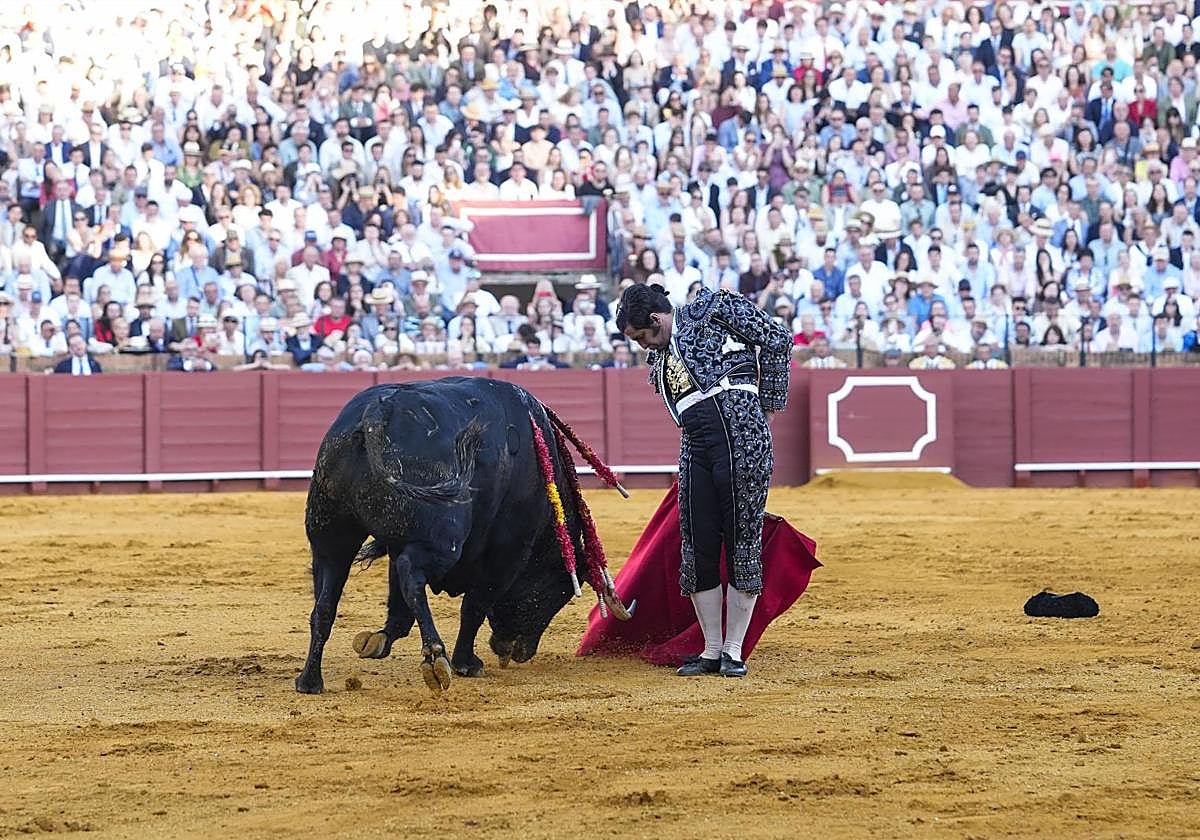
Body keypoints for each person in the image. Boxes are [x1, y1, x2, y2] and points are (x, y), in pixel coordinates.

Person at [617, 282, 790, 679]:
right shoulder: (659, 363)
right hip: (696, 445)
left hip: (742, 436)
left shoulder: (711, 309)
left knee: (742, 540)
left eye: (643, 335)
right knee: (697, 543)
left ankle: (733, 650)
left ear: (657, 319)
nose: (643, 346)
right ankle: (711, 649)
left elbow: (778, 340)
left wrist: (765, 415)